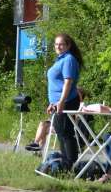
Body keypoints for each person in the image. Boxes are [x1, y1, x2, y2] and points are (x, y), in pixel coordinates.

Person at [45, 33, 83, 169]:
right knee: (60, 133)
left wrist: (61, 101)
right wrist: (53, 103)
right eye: (56, 44)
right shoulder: (60, 60)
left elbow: (68, 82)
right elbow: (57, 84)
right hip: (58, 102)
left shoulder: (69, 59)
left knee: (66, 134)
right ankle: (65, 164)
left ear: (68, 45)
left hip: (67, 101)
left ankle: (71, 165)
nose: (58, 46)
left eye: (61, 44)